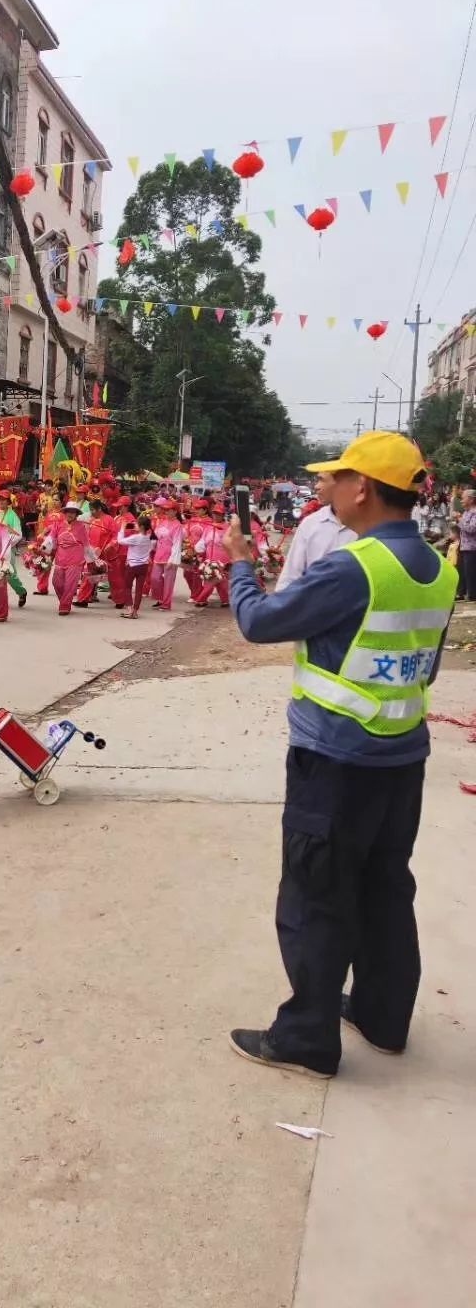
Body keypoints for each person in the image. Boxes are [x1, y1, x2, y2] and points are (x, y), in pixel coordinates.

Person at [225, 432, 457, 1079]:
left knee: (316, 896)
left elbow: (260, 622)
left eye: (335, 478)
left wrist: (242, 565)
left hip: (334, 762)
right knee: (386, 888)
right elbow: (426, 667)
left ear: (364, 489)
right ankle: (383, 1018)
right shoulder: (439, 569)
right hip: (401, 760)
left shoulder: (355, 566)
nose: (324, 489)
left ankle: (305, 1038)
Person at [276, 472, 357, 591]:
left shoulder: (368, 526)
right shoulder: (310, 524)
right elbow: (289, 578)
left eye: (322, 480)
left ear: (342, 483)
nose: (316, 486)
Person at [41, 501, 97, 616]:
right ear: (64, 513)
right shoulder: (58, 524)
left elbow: (86, 545)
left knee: (70, 585)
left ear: (76, 514)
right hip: (60, 559)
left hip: (75, 560)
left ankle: (65, 606)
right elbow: (51, 538)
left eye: (73, 512)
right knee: (56, 583)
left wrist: (92, 561)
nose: (70, 514)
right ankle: (65, 600)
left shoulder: (81, 527)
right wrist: (43, 547)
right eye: (68, 512)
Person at [118, 515, 156, 619]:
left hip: (133, 565)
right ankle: (135, 611)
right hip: (143, 566)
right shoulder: (149, 539)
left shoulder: (135, 538)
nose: (134, 525)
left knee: (127, 587)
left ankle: (130, 610)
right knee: (139, 589)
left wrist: (122, 529)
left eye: (136, 523)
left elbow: (120, 541)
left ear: (142, 526)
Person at [456, 488, 476, 601]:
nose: (461, 501)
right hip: (464, 545)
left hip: (472, 547)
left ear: (471, 499)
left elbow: (472, 529)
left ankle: (472, 594)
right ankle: (461, 593)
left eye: (463, 498)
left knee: (471, 572)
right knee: (462, 571)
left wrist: (459, 519)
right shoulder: (466, 512)